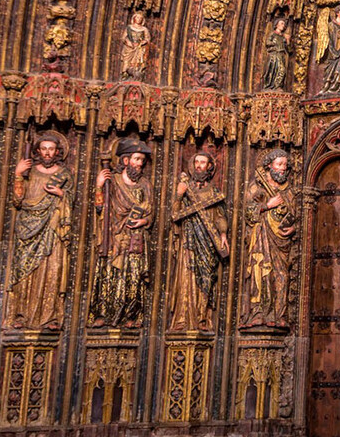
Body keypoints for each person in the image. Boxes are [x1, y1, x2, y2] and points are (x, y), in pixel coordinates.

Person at [6, 133, 73, 330]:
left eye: (51, 149)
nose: (47, 153)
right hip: (27, 229)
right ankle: (21, 315)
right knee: (24, 272)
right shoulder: (30, 172)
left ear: (57, 152)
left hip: (51, 227)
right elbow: (17, 201)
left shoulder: (64, 174)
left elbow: (71, 202)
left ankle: (49, 317)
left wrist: (61, 193)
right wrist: (18, 175)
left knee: (52, 270)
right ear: (37, 151)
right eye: (44, 149)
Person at [88, 138, 155, 328]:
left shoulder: (145, 185)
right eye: (136, 159)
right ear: (126, 160)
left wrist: (144, 221)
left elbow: (151, 211)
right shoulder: (113, 181)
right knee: (109, 274)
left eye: (142, 160)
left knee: (134, 276)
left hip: (135, 237)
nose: (139, 164)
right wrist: (99, 186)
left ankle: (131, 315)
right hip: (114, 236)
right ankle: (103, 314)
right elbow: (99, 208)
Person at [167, 151, 230, 331]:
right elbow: (174, 214)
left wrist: (223, 234)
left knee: (206, 277)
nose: (199, 166)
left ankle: (203, 317)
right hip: (189, 239)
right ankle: (183, 318)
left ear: (209, 166)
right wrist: (179, 195)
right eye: (196, 162)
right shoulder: (186, 189)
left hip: (208, 240)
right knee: (187, 276)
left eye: (203, 162)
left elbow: (220, 216)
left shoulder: (213, 192)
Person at [243, 149, 297, 331]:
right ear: (269, 165)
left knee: (281, 276)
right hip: (261, 238)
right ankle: (258, 313)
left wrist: (294, 228)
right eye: (279, 164)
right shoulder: (256, 187)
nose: (283, 168)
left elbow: (298, 215)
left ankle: (279, 314)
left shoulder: (289, 191)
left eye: (285, 165)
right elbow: (248, 213)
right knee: (260, 273)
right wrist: (267, 205)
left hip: (281, 241)